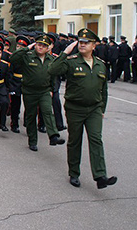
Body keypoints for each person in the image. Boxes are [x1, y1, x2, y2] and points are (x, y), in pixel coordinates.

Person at [48, 28, 117, 189]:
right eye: (81, 42)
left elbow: (103, 90)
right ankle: (74, 173)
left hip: (94, 109)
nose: (82, 45)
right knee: (75, 141)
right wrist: (65, 52)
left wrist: (102, 110)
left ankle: (100, 176)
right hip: (75, 108)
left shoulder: (100, 64)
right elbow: (52, 70)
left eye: (86, 43)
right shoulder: (72, 61)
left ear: (94, 45)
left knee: (96, 140)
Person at [10, 34, 64, 152]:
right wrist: (27, 47)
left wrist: (51, 89)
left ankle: (53, 136)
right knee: (31, 116)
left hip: (44, 91)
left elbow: (53, 76)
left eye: (44, 46)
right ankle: (32, 140)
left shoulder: (51, 59)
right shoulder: (27, 56)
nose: (40, 47)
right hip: (29, 91)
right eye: (39, 44)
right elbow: (13, 58)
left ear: (48, 48)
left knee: (47, 111)